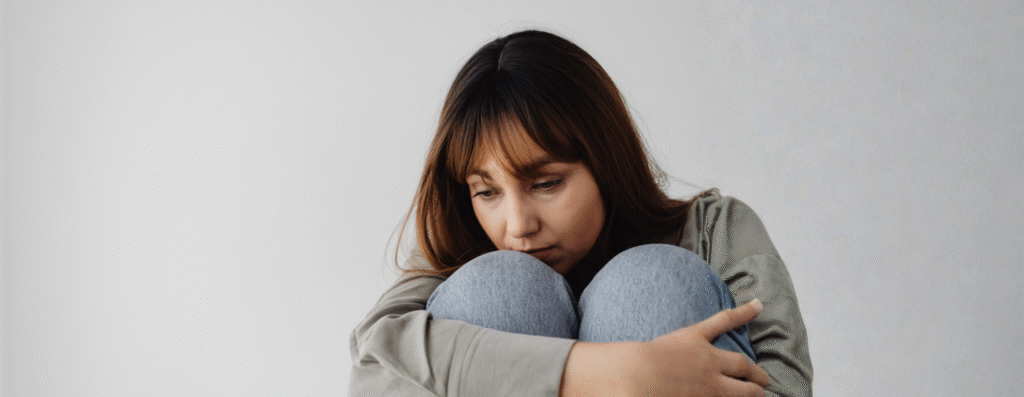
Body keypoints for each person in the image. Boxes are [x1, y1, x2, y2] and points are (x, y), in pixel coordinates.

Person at [349, 30, 812, 396]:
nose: (517, 226)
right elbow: (373, 370)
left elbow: (785, 387)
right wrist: (613, 374)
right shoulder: (457, 252)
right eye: (486, 192)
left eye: (546, 183)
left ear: (606, 161)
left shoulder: (717, 231)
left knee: (651, 282)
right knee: (496, 288)